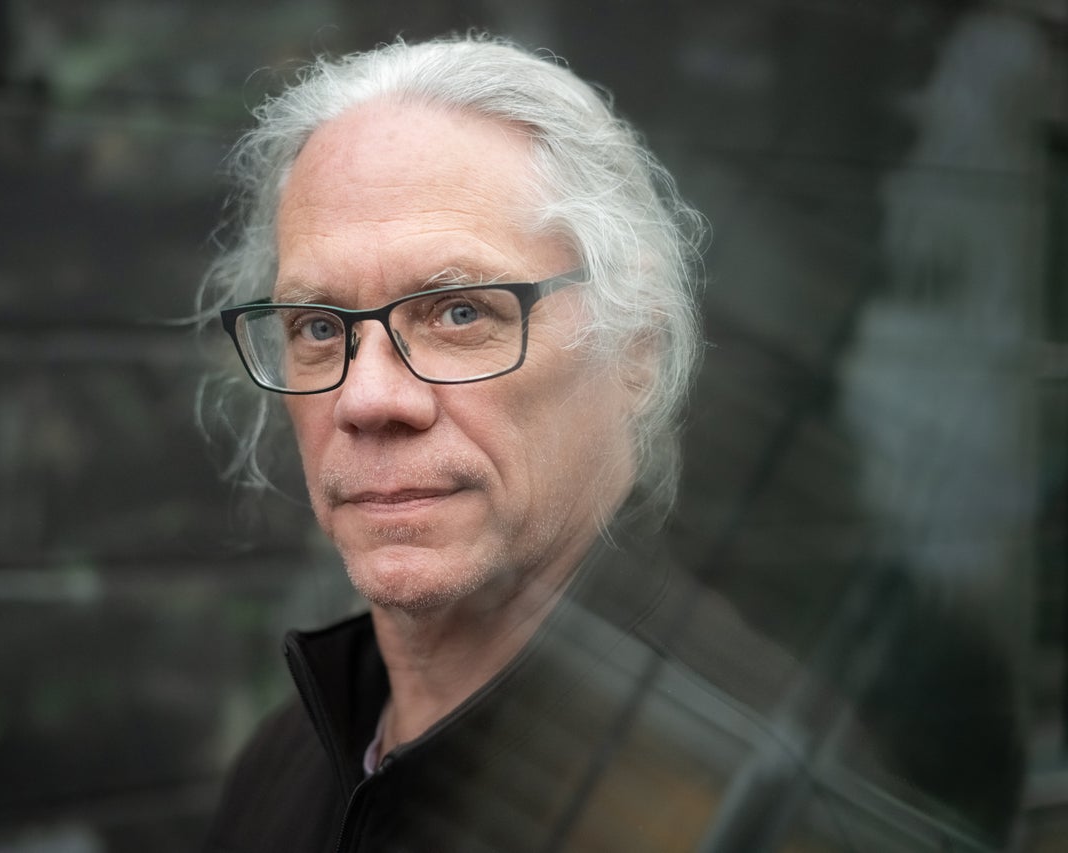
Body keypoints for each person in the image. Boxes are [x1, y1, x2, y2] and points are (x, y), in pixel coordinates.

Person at [200, 35, 1008, 852]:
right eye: (318, 326)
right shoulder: (287, 761)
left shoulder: (761, 807)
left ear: (637, 352)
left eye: (460, 313)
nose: (368, 398)